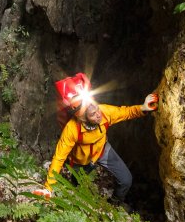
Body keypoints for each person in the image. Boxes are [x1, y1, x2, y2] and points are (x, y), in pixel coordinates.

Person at [32, 73, 158, 202]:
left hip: (102, 151)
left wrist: (143, 108)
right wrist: (48, 188)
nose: (99, 115)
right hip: (80, 161)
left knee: (126, 180)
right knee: (76, 185)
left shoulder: (104, 112)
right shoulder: (71, 129)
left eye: (97, 109)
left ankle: (115, 203)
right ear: (83, 118)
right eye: (93, 114)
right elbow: (59, 157)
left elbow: (124, 112)